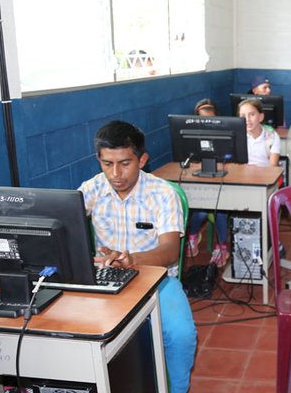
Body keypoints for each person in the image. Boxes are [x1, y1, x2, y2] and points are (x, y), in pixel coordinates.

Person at [79, 120, 196, 393]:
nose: (116, 173)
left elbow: (169, 252)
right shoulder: (92, 189)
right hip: (106, 277)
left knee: (181, 335)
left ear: (142, 160)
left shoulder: (163, 194)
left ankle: (178, 389)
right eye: (107, 164)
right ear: (99, 160)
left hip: (157, 280)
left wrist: (133, 260)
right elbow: (63, 225)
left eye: (124, 163)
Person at [185, 98, 229, 264]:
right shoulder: (192, 138)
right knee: (201, 210)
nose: (206, 124)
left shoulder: (225, 136)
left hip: (222, 185)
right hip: (202, 185)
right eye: (202, 120)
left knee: (220, 208)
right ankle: (193, 235)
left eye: (210, 120)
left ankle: (222, 246)